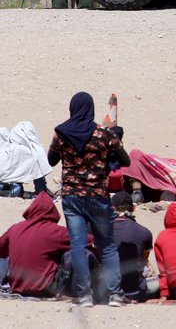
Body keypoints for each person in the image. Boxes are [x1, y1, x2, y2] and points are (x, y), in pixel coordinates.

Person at [48, 92, 131, 307]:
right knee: (107, 246)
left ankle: (83, 296)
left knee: (78, 246)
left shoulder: (62, 133)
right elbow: (126, 160)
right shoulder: (104, 134)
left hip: (72, 197)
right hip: (99, 197)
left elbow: (50, 160)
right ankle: (115, 294)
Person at [0, 192, 73, 297]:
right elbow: (87, 241)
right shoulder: (57, 232)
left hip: (16, 287)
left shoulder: (15, 229)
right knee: (75, 253)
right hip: (45, 289)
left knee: (4, 259)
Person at [111, 192, 158, 302]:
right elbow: (143, 259)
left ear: (112, 208)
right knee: (154, 278)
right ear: (133, 208)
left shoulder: (103, 231)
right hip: (134, 290)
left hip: (108, 288)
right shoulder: (144, 232)